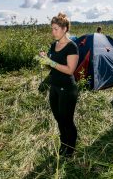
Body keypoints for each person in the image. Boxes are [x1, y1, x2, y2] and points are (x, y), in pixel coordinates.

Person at [37, 13, 79, 157]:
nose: (53, 32)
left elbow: (69, 70)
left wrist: (52, 62)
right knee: (58, 118)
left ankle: (71, 149)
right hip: (54, 87)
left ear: (65, 29)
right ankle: (64, 143)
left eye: (55, 29)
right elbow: (52, 67)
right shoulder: (53, 45)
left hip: (67, 88)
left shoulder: (72, 47)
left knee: (67, 120)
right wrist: (45, 60)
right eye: (52, 29)